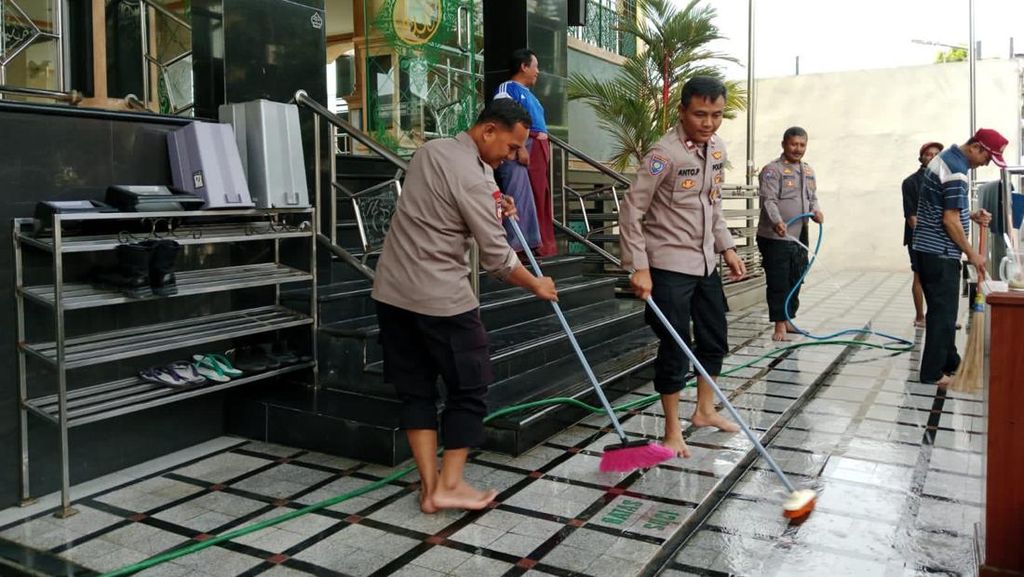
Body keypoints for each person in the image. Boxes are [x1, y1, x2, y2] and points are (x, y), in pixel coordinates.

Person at [371, 99, 559, 512]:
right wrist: (536, 284)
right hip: (440, 298)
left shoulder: (432, 150)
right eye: (511, 147)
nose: (514, 156)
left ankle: (431, 489)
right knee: (470, 387)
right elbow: (498, 259)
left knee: (416, 391)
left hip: (392, 292)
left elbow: (450, 201)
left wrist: (497, 202)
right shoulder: (473, 177)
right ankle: (451, 484)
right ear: (488, 130)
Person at [619, 76, 746, 458]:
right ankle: (672, 430)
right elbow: (632, 209)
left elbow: (713, 205)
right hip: (669, 265)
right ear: (682, 111)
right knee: (675, 346)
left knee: (715, 338)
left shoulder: (717, 149)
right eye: (700, 114)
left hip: (705, 263)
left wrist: (727, 248)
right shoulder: (664, 154)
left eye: (716, 115)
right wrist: (638, 266)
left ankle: (704, 411)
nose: (709, 123)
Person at [912, 128, 1003, 386]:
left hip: (929, 249)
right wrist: (972, 253)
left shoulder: (948, 160)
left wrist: (971, 215)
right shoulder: (956, 170)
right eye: (987, 157)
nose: (986, 164)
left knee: (944, 311)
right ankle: (932, 373)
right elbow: (949, 220)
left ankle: (950, 361)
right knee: (943, 314)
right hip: (939, 252)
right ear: (976, 147)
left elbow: (943, 207)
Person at [756, 127, 824, 341]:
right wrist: (777, 221)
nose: (798, 149)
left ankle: (788, 319)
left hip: (799, 234)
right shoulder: (772, 170)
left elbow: (812, 197)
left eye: (802, 145)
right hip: (775, 236)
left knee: (797, 277)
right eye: (794, 144)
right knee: (779, 280)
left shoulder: (808, 171)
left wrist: (816, 211)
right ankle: (779, 324)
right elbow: (768, 200)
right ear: (784, 144)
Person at [493, 48, 557, 257]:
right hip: (525, 146)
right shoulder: (508, 88)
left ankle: (539, 243)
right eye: (535, 67)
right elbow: (503, 117)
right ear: (524, 66)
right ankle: (521, 245)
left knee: (540, 194)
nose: (538, 72)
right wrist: (520, 146)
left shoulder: (531, 95)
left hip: (538, 147)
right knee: (522, 192)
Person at [902, 142, 944, 328]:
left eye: (937, 154)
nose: (933, 157)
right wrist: (930, 233)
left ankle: (939, 317)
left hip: (940, 238)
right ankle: (920, 317)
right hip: (918, 238)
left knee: (939, 279)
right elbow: (911, 217)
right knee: (919, 276)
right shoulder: (910, 182)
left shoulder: (943, 180)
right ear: (921, 158)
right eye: (928, 154)